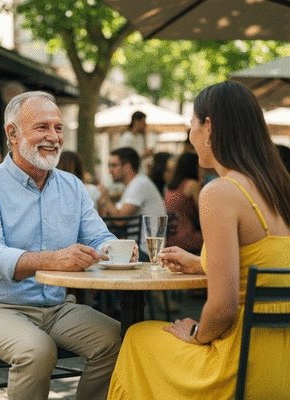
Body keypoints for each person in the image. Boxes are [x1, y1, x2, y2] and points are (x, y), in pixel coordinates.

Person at [107, 81, 290, 400]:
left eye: (191, 124)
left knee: (137, 335)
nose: (190, 137)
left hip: (241, 367)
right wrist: (201, 263)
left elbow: (222, 308)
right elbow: (264, 263)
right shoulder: (279, 188)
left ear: (208, 127)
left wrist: (195, 332)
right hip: (282, 365)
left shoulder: (220, 192)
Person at [0, 91, 131, 400]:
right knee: (38, 349)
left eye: (58, 128)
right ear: (12, 133)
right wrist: (54, 259)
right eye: (42, 127)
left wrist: (115, 248)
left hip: (57, 309)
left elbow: (97, 237)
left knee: (119, 338)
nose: (53, 137)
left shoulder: (72, 185)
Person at [99, 147, 165, 262]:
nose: (110, 170)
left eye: (114, 165)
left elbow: (119, 219)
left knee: (99, 259)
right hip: (137, 248)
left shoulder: (139, 184)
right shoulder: (134, 184)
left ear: (127, 166)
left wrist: (105, 197)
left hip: (146, 252)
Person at [164, 151, 203, 253]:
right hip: (186, 237)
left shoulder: (171, 187)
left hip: (170, 237)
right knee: (217, 239)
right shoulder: (192, 184)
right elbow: (205, 212)